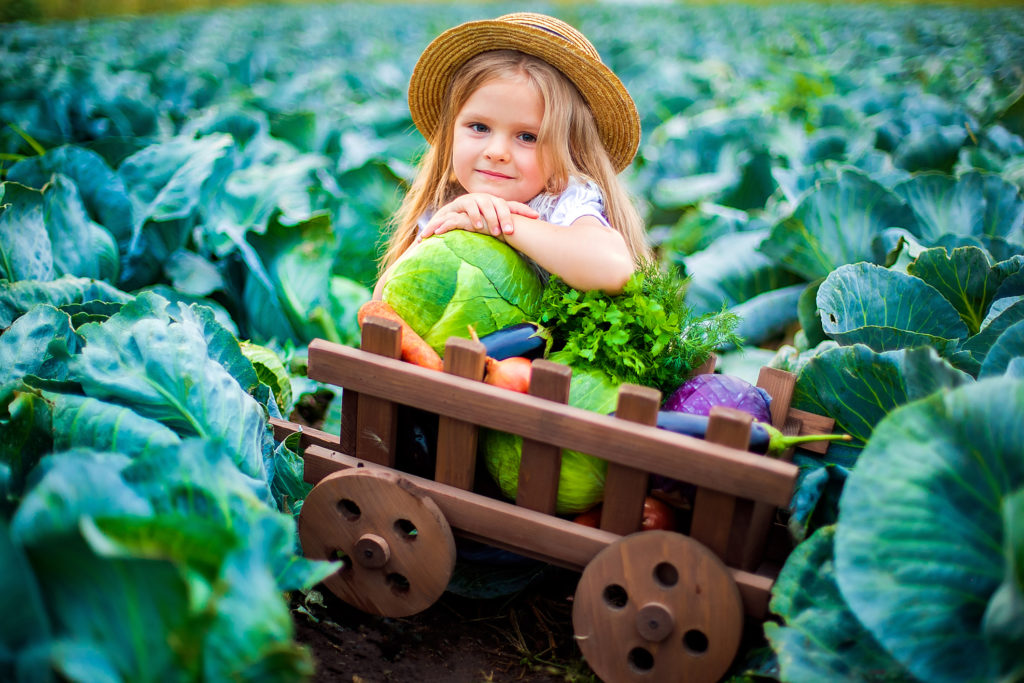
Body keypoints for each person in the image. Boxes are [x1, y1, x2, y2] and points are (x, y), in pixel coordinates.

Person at [373, 12, 651, 299]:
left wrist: (503, 225)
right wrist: (433, 232)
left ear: (570, 153)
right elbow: (384, 301)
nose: (496, 152)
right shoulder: (451, 204)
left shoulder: (562, 202)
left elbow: (615, 271)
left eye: (528, 137)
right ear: (451, 132)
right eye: (479, 127)